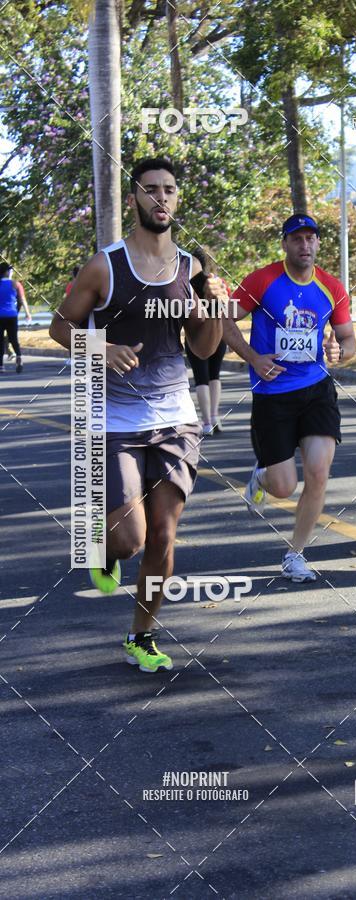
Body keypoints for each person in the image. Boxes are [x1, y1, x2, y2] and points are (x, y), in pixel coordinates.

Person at [49, 156, 227, 671]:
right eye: (151, 190)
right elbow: (62, 328)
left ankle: (141, 636)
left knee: (165, 536)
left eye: (169, 190)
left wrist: (212, 307)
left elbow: (203, 347)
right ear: (135, 199)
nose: (161, 198)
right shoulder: (106, 265)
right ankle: (101, 548)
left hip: (175, 416)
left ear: (177, 198)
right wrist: (99, 348)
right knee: (130, 539)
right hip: (113, 421)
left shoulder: (192, 269)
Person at [223, 213, 356, 583]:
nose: (305, 246)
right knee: (284, 486)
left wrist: (340, 352)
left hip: (316, 390)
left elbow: (349, 340)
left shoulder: (331, 287)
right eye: (296, 239)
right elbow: (224, 318)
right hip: (272, 394)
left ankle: (295, 554)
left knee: (318, 473)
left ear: (317, 244)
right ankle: (262, 475)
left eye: (311, 239)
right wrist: (252, 357)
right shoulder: (263, 280)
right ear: (284, 244)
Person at [184, 247, 228, 435]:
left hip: (197, 334)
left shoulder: (188, 283)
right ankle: (215, 415)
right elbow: (228, 307)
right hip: (218, 332)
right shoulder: (219, 282)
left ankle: (207, 422)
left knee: (201, 378)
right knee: (214, 375)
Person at [0, 263, 31, 373]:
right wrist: (28, 313)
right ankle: (19, 358)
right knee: (13, 339)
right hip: (12, 315)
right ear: (7, 272)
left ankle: (1, 366)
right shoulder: (15, 284)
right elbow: (22, 299)